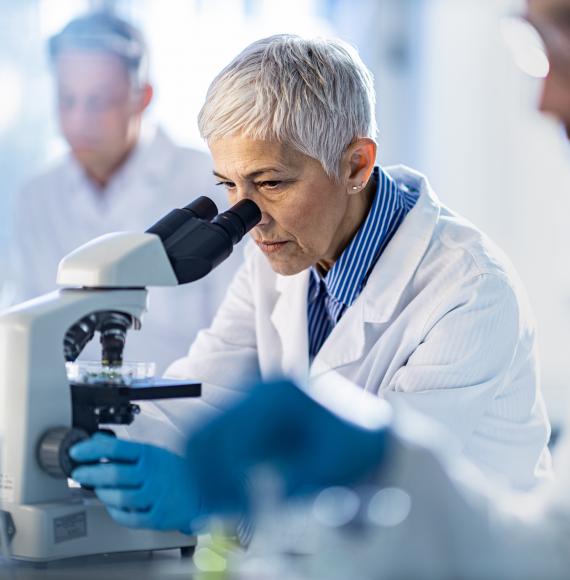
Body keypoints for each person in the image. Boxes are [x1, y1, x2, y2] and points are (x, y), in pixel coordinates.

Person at [71, 1, 570, 577]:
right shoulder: (283, 253)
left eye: (271, 182)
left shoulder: (469, 293)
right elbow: (202, 398)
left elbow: (378, 506)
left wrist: (209, 498)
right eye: (228, 184)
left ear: (356, 164)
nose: (248, 216)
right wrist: (105, 438)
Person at [8, 12, 240, 374]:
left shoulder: (213, 182)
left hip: (186, 415)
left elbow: (238, 345)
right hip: (64, 412)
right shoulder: (37, 198)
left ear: (142, 97)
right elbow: (30, 331)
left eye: (98, 101)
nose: (79, 120)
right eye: (67, 99)